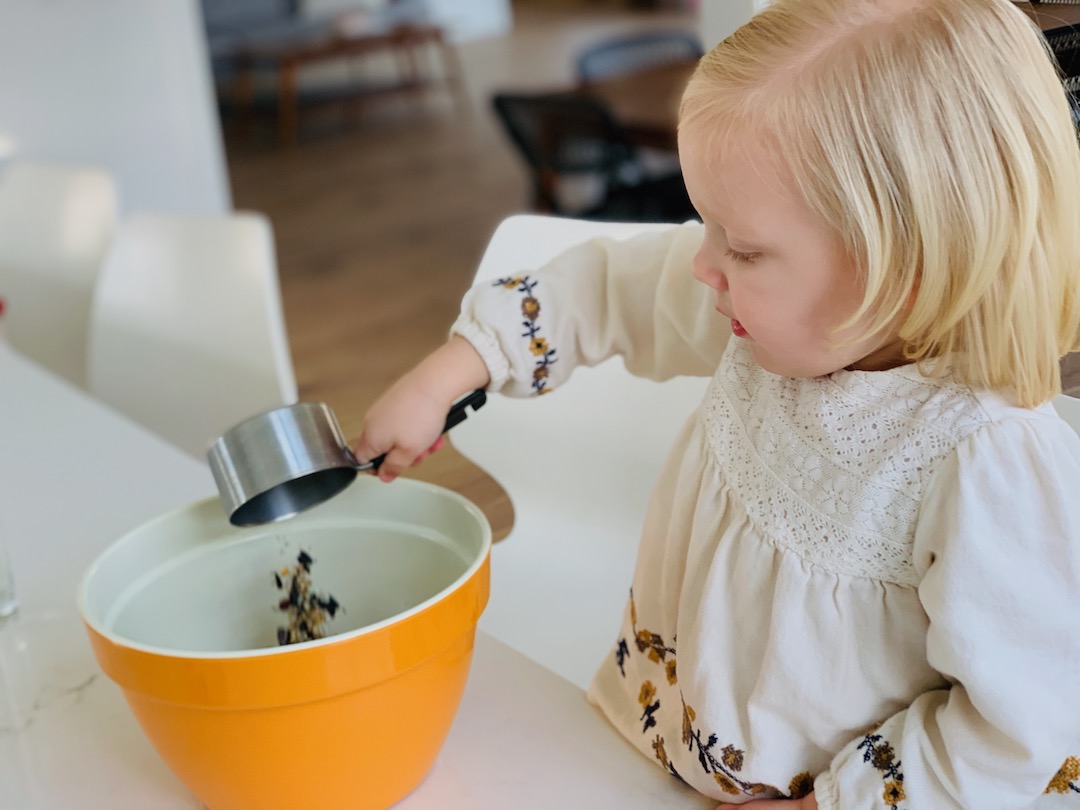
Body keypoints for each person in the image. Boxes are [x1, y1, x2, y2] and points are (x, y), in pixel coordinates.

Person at [354, 0, 1080, 806]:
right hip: (662, 745)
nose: (704, 265)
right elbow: (607, 289)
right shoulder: (771, 319)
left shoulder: (986, 460)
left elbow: (1021, 718)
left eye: (741, 246)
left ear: (903, 271)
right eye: (707, 227)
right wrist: (450, 373)